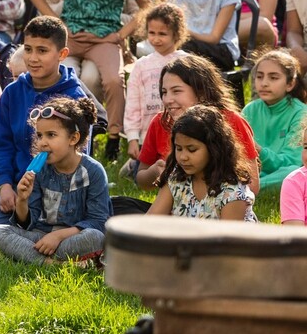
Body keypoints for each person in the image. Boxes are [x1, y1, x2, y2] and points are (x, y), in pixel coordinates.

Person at [31, 0, 151, 159]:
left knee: (113, 80)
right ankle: (62, 130)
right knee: (58, 75)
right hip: (71, 35)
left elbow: (145, 5)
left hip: (104, 38)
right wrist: (58, 24)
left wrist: (121, 34)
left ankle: (113, 137)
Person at [0, 15, 92, 227]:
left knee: (57, 230)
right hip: (19, 186)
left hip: (61, 191)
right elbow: (2, 146)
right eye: (28, 49)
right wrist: (5, 185)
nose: (33, 58)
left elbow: (80, 156)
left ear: (62, 54)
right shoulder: (12, 93)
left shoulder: (75, 97)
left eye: (42, 51)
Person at [0, 96, 109, 264]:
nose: (42, 142)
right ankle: (52, 263)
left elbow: (97, 222)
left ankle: (32, 258)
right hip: (40, 237)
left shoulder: (93, 171)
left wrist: (58, 236)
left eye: (51, 135)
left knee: (96, 237)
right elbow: (26, 223)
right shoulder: (39, 169)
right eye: (39, 135)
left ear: (73, 138)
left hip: (72, 237)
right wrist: (22, 199)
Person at [132, 55, 260, 193]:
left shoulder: (231, 121)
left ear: (202, 92)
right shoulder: (160, 122)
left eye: (176, 91)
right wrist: (154, 172)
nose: (167, 99)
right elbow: (141, 179)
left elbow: (252, 185)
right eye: (164, 92)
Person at [147, 105, 257, 221]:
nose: (183, 157)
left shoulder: (232, 191)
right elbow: (150, 221)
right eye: (179, 149)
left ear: (213, 149)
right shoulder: (177, 178)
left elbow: (227, 237)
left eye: (192, 149)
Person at [125, 2, 187, 162]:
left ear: (176, 34)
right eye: (152, 33)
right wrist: (132, 138)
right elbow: (133, 104)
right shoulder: (141, 66)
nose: (156, 39)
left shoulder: (187, 62)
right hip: (148, 137)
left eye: (162, 34)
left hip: (182, 133)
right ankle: (133, 165)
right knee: (147, 170)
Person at [244, 48, 307, 189]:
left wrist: (259, 151)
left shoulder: (301, 113)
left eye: (273, 77)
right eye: (260, 76)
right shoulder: (250, 109)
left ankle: (250, 189)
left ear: (290, 84)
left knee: (292, 173)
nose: (264, 83)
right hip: (251, 171)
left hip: (280, 172)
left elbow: (293, 162)